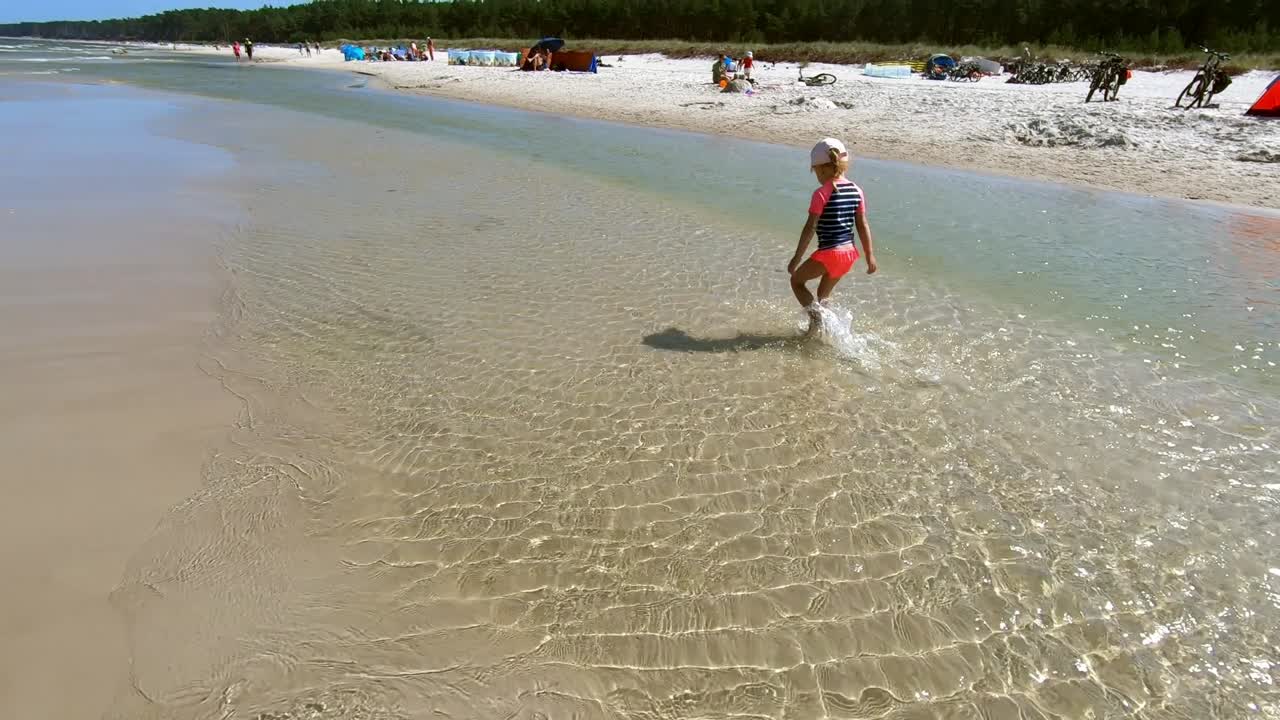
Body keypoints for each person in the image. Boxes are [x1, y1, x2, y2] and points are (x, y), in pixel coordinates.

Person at [787, 138, 877, 335]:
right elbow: (862, 225)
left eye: (816, 172)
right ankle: (820, 333)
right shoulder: (857, 190)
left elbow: (810, 227)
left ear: (821, 169)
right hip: (849, 255)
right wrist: (870, 256)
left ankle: (817, 320)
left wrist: (797, 258)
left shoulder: (821, 193)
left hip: (830, 254)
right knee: (823, 297)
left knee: (796, 281)